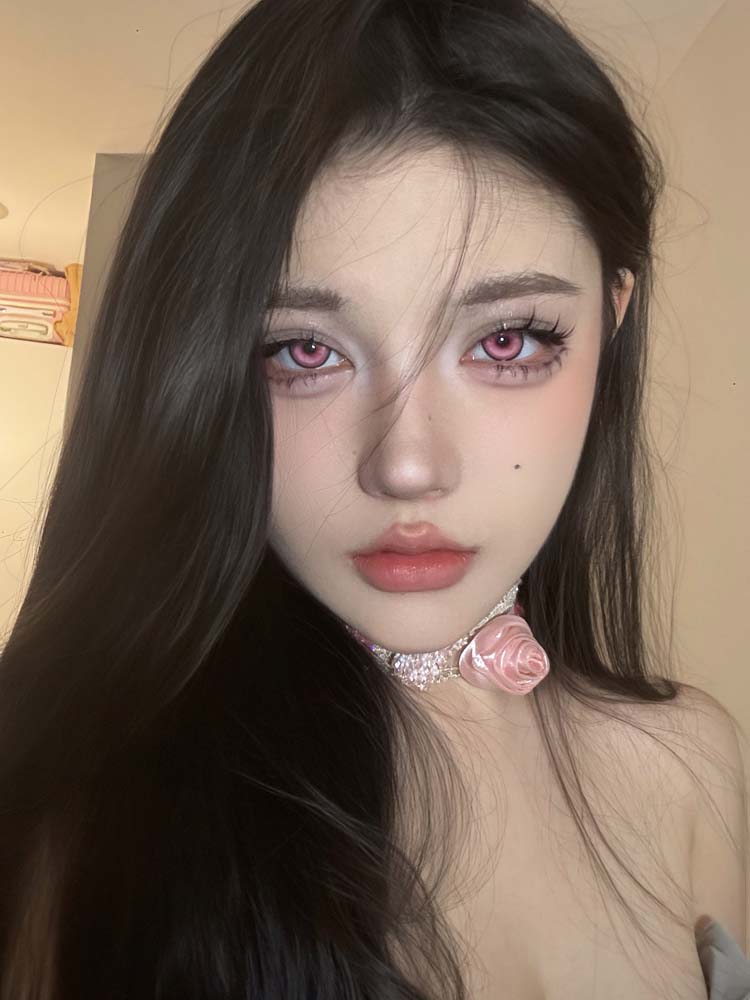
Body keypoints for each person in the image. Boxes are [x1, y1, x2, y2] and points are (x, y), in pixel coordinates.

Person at [0, 1, 744, 998]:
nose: (407, 466)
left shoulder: (693, 764)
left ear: (611, 320)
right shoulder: (85, 833)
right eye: (305, 350)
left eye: (508, 340)